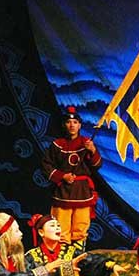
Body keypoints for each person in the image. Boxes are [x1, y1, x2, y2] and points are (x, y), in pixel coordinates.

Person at [42, 105, 102, 246]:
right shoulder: (57, 144)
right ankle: (63, 257)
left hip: (82, 191)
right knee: (61, 228)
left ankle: (78, 254)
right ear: (64, 125)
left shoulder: (86, 143)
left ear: (80, 125)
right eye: (69, 122)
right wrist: (62, 176)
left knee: (81, 227)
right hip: (63, 192)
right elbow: (46, 165)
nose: (72, 125)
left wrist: (93, 151)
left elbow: (96, 166)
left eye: (75, 122)